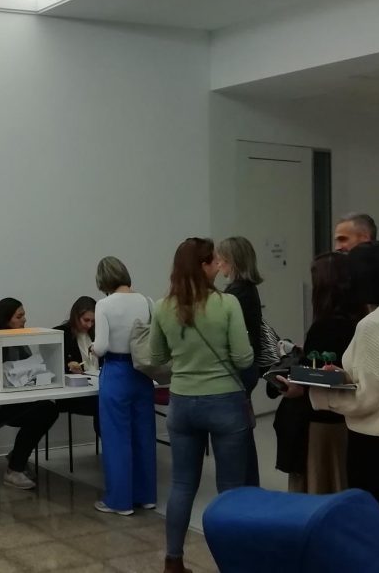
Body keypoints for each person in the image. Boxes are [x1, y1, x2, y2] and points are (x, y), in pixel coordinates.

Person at [149, 238, 254, 573]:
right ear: (205, 265)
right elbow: (244, 358)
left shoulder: (163, 307)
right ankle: (233, 563)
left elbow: (155, 357)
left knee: (182, 485)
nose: (219, 268)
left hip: (181, 402)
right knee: (231, 489)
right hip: (224, 402)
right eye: (214, 262)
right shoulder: (227, 304)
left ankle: (173, 561)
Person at [305, 241, 379, 527]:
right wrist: (347, 374)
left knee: (378, 526)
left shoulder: (373, 325)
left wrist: (326, 394)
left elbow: (370, 396)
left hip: (378, 445)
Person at [269, 252, 363, 493]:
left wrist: (294, 388)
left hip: (321, 423)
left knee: (319, 485)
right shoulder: (362, 321)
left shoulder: (324, 327)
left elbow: (318, 379)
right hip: (351, 421)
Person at [91, 257, 156, 516]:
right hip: (142, 372)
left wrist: (91, 348)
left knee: (117, 439)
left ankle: (119, 501)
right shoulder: (147, 302)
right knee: (144, 436)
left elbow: (101, 347)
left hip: (116, 372)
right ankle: (147, 496)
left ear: (103, 280)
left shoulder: (103, 305)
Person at [0, 298, 60, 490]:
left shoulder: (19, 340)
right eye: (19, 316)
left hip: (19, 399)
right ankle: (14, 469)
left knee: (48, 409)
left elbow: (29, 368)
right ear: (5, 320)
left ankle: (17, 458)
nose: (24, 320)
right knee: (45, 411)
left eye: (23, 315)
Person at [215, 236, 262, 486]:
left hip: (239, 368)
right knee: (244, 430)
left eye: (221, 259)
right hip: (249, 366)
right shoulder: (247, 289)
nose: (218, 264)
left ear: (231, 261)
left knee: (236, 436)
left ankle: (243, 487)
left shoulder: (235, 294)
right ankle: (250, 485)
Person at [55, 296, 101, 440]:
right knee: (105, 405)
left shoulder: (99, 334)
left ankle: (114, 444)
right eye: (86, 320)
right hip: (76, 395)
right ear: (75, 316)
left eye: (93, 321)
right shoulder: (61, 334)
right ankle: (111, 444)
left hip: (98, 389)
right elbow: (52, 366)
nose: (89, 325)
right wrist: (67, 366)